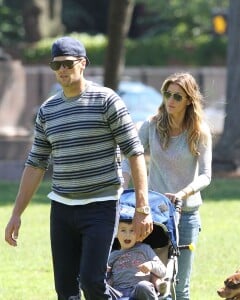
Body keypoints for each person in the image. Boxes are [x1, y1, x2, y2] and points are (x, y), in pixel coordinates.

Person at [4, 36, 153, 300]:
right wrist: (16, 213)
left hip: (101, 205)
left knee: (92, 282)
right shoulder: (48, 111)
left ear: (82, 63)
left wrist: (142, 206)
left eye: (68, 63)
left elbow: (134, 151)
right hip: (61, 208)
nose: (62, 69)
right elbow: (36, 163)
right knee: (65, 290)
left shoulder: (107, 100)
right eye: (56, 64)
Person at [122, 72, 212, 300]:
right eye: (167, 94)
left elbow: (206, 175)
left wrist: (182, 193)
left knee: (180, 286)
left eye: (177, 97)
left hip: (187, 214)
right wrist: (121, 191)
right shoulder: (151, 126)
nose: (170, 100)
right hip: (153, 216)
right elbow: (128, 159)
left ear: (189, 100)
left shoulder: (199, 132)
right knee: (155, 281)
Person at [108, 219, 167, 300]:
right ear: (116, 233)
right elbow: (106, 278)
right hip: (118, 293)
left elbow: (163, 271)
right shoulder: (113, 255)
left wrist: (151, 265)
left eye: (132, 230)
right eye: (123, 230)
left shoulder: (144, 249)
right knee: (99, 286)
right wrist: (105, 271)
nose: (127, 235)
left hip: (139, 292)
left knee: (143, 285)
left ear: (138, 233)